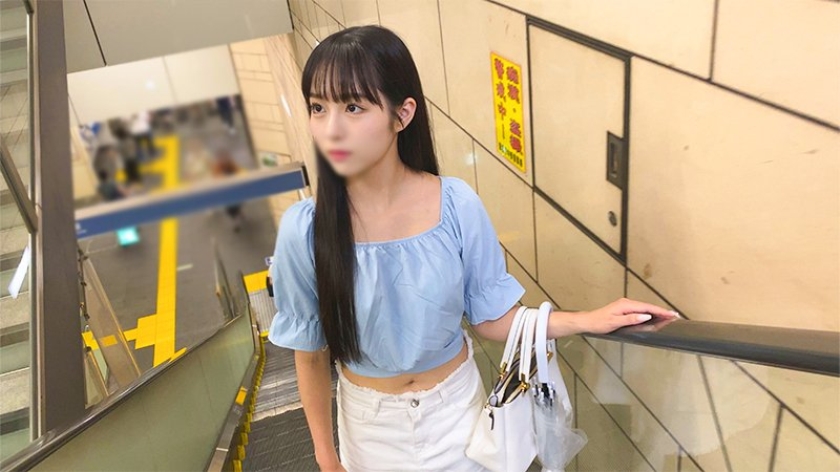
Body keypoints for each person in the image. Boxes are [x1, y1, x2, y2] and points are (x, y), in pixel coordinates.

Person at [267, 25, 678, 472]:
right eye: (318, 107)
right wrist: (326, 457)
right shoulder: (304, 230)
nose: (331, 129)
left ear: (402, 115)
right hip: (369, 430)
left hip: (457, 417)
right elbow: (310, 353)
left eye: (352, 107)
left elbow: (491, 317)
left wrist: (588, 320)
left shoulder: (456, 204)